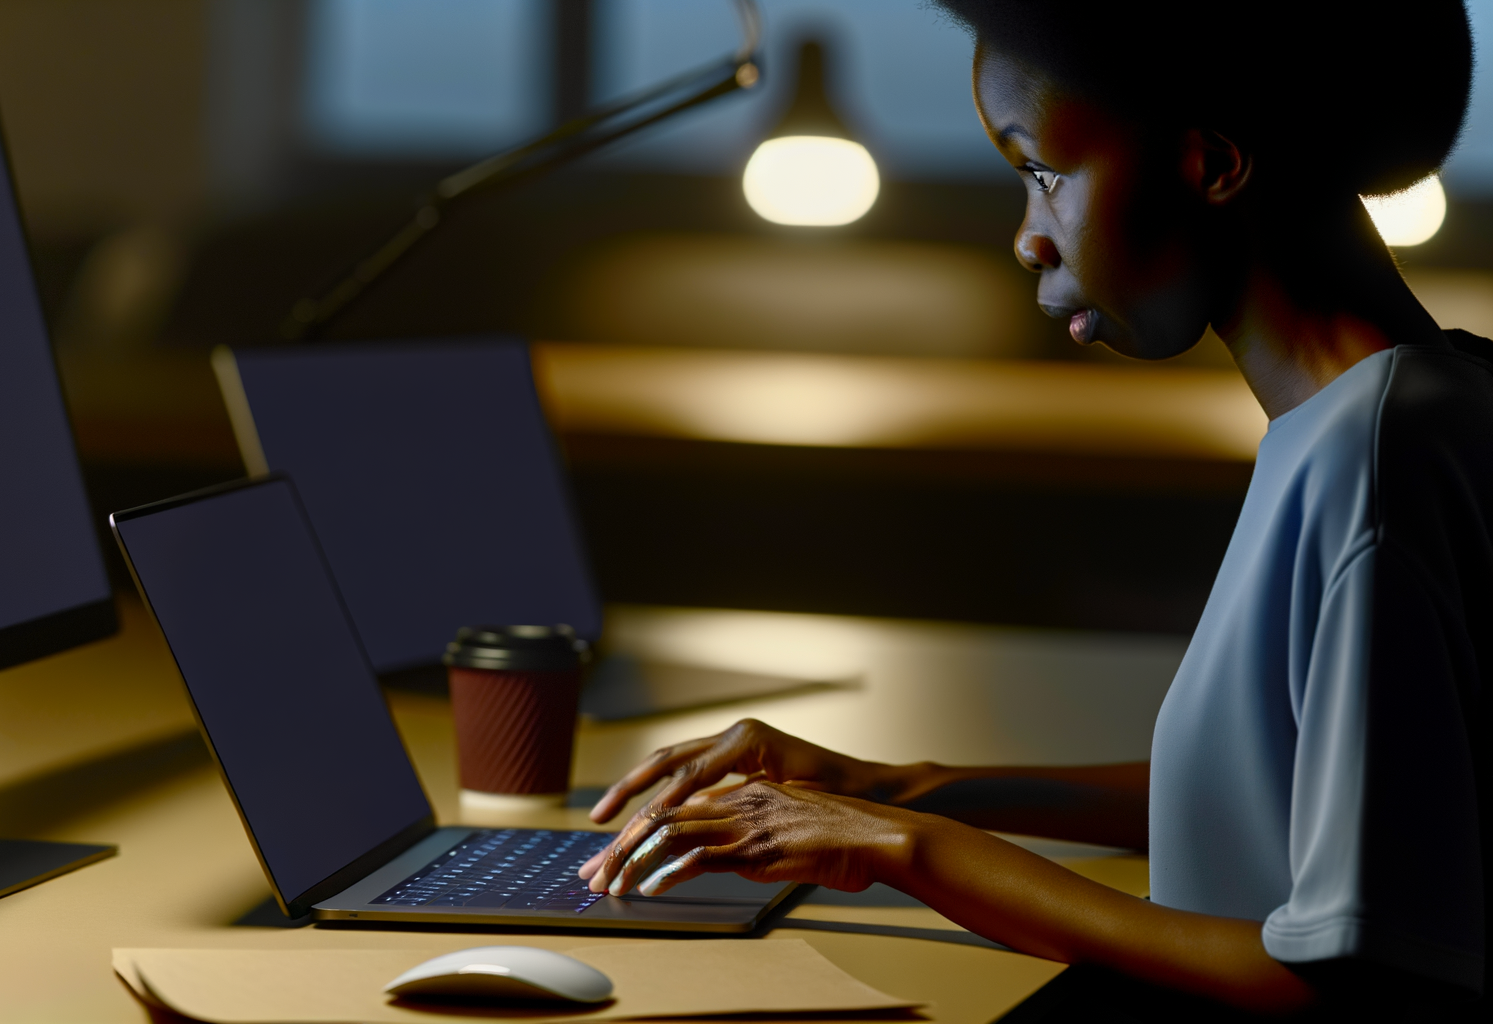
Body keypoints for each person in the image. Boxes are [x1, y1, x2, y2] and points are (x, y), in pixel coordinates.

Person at [578, 2, 1489, 1019]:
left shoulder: (1374, 461)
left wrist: (896, 848)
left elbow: (1345, 978)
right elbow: (1274, 797)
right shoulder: (1400, 406)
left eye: (1042, 173)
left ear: (1214, 164)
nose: (1027, 239)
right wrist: (885, 787)